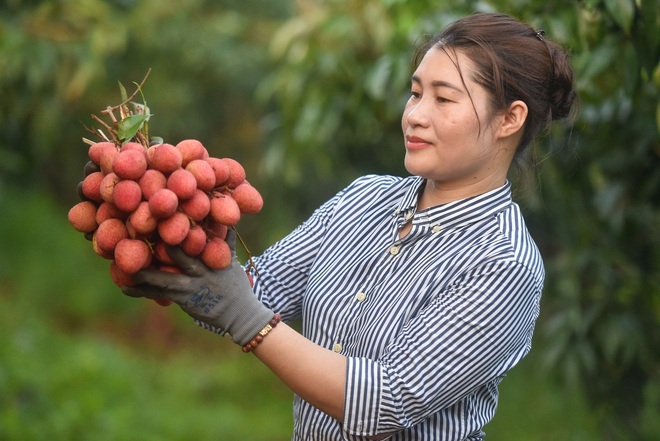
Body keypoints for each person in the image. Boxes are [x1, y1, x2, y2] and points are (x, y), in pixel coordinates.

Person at [122, 12, 577, 440]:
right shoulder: (366, 199)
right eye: (416, 93)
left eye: (444, 98)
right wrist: (166, 232)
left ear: (510, 119)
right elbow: (254, 292)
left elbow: (385, 402)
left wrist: (244, 316)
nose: (415, 114)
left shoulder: (503, 263)